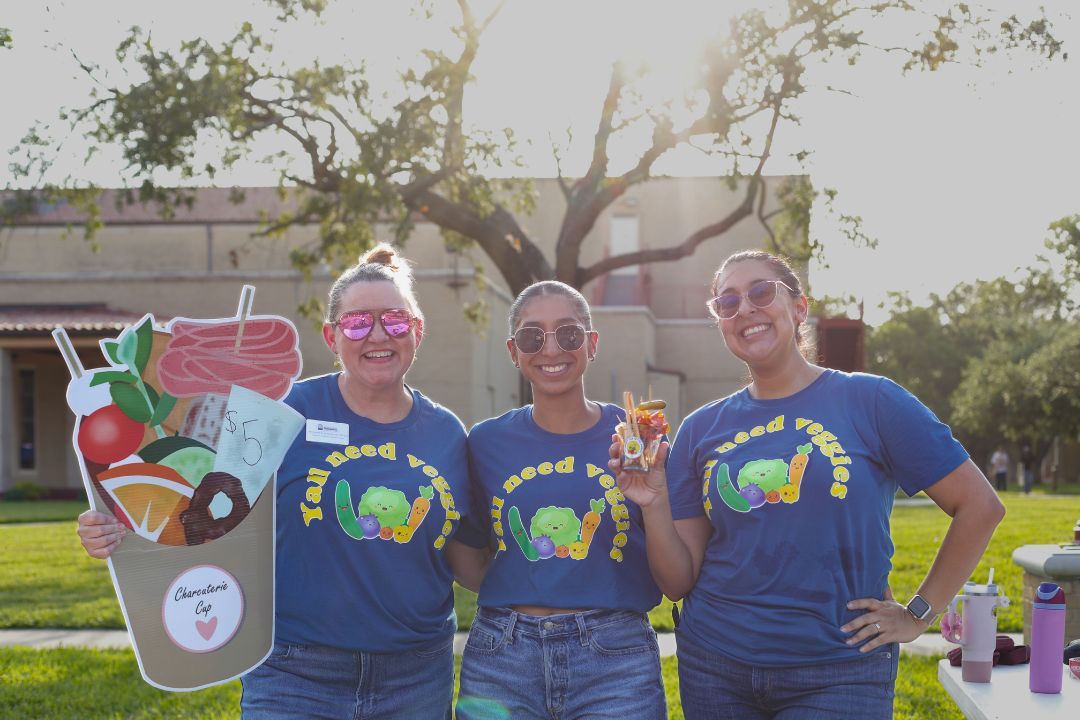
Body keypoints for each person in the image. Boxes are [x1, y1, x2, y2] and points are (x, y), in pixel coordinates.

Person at [77, 244, 486, 719]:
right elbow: (200, 514)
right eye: (357, 322)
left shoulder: (447, 432)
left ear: (417, 331)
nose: (378, 335)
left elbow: (463, 557)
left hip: (415, 676)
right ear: (332, 336)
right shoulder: (279, 413)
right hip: (295, 673)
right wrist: (117, 528)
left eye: (395, 320)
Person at [610, 250, 1006, 720]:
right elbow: (678, 582)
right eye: (728, 302)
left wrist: (919, 613)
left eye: (761, 292)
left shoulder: (872, 400)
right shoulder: (700, 428)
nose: (745, 310)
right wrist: (653, 503)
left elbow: (980, 505)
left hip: (840, 668)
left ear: (799, 308)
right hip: (715, 665)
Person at [454, 281, 667, 720]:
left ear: (591, 344)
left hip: (616, 657)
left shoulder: (634, 435)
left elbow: (673, 574)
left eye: (568, 334)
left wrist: (653, 503)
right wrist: (529, 576)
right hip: (503, 657)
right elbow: (467, 552)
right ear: (514, 352)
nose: (551, 349)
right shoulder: (485, 441)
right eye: (533, 336)